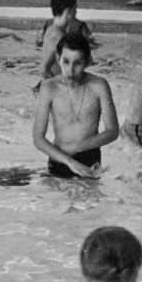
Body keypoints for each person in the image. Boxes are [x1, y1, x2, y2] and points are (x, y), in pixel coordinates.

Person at [32, 34, 120, 179]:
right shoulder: (49, 87)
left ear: (87, 61)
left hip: (89, 157)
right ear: (57, 57)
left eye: (78, 63)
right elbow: (38, 138)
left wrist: (76, 148)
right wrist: (70, 161)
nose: (70, 70)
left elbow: (112, 131)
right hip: (59, 156)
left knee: (89, 201)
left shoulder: (99, 86)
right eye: (66, 62)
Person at [38, 0, 81, 81]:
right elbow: (44, 69)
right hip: (55, 84)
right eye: (75, 9)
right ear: (68, 11)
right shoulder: (57, 36)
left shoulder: (52, 29)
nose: (76, 13)